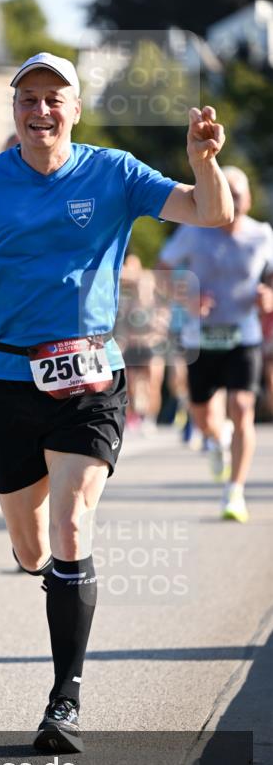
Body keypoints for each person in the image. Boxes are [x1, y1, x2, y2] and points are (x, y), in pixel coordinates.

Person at [0, 51, 232, 752]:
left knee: (70, 530)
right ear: (14, 109)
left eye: (53, 98)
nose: (40, 110)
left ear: (74, 109)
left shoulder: (113, 173)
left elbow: (211, 212)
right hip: (4, 379)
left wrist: (202, 160)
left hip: (89, 378)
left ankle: (64, 701)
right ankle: (48, 578)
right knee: (31, 550)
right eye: (27, 99)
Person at [158, 166, 273, 522]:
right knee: (204, 416)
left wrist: (268, 295)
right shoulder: (194, 231)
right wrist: (187, 298)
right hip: (201, 336)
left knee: (242, 407)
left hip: (244, 335)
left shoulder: (262, 235)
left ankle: (234, 492)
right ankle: (216, 438)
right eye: (228, 195)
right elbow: (162, 271)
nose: (234, 203)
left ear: (249, 199)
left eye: (239, 195)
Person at [117, 253, 168, 433]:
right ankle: (134, 416)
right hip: (132, 343)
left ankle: (150, 418)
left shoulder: (146, 277)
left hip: (151, 342)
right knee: (130, 384)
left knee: (153, 381)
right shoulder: (124, 292)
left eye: (131, 265)